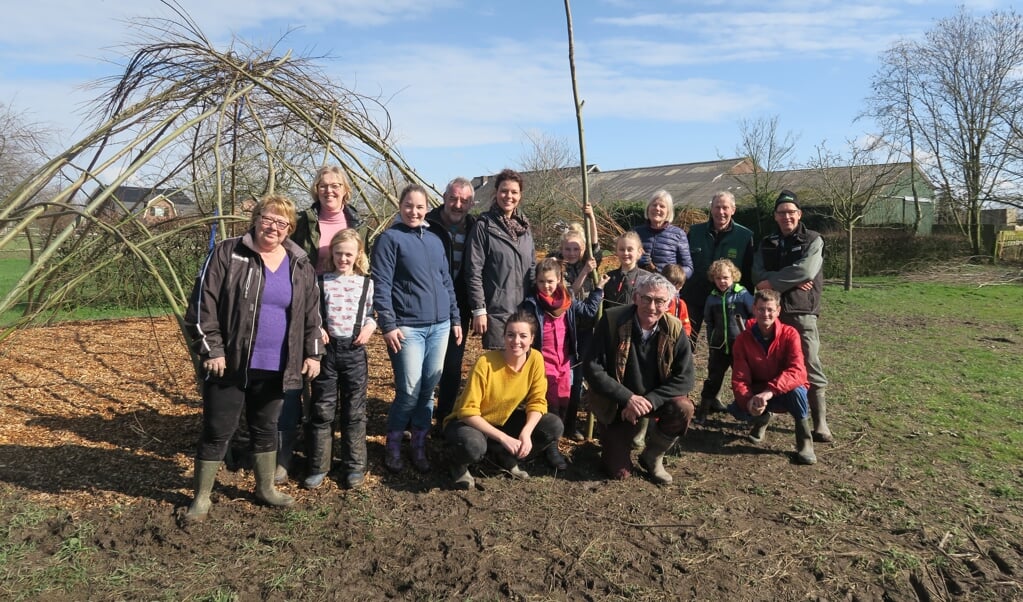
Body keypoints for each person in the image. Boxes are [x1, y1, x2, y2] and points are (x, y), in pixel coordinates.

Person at [183, 194, 323, 523]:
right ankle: (201, 496)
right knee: (218, 430)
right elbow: (203, 305)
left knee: (266, 427)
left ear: (290, 229)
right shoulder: (228, 253)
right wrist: (212, 349)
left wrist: (313, 353)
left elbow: (312, 314)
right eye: (268, 219)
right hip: (230, 363)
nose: (273, 227)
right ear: (256, 218)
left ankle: (265, 489)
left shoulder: (299, 262)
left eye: (282, 223)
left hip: (277, 364)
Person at [278, 165, 362, 482]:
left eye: (336, 185)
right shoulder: (304, 221)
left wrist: (370, 318)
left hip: (340, 315)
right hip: (305, 305)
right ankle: (286, 451)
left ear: (345, 189)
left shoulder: (357, 222)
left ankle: (336, 456)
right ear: (316, 189)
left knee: (332, 394)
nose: (329, 190)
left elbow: (364, 271)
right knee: (294, 375)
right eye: (324, 185)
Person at [372, 183, 462, 474]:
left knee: (427, 391)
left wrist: (456, 318)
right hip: (407, 328)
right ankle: (394, 446)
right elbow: (381, 284)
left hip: (440, 326)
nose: (414, 211)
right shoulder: (390, 239)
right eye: (409, 205)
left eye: (420, 206)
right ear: (400, 206)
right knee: (408, 391)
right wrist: (387, 323)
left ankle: (419, 445)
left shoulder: (436, 238)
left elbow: (446, 281)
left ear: (427, 208)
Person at [583, 272, 696, 484]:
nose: (652, 306)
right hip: (617, 404)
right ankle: (622, 437)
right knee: (619, 473)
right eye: (646, 298)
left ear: (669, 303)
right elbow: (592, 367)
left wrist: (650, 401)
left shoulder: (674, 328)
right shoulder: (612, 320)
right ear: (636, 297)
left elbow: (685, 378)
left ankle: (653, 455)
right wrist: (627, 398)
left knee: (684, 408)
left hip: (653, 401)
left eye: (660, 301)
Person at [443, 310, 567, 489]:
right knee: (473, 447)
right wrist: (504, 437)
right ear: (504, 337)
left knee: (553, 426)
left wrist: (525, 432)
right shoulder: (486, 362)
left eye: (523, 336)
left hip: (502, 420)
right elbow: (467, 412)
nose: (516, 341)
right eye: (511, 335)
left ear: (532, 339)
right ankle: (457, 463)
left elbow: (537, 401)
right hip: (469, 423)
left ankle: (502, 453)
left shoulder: (536, 360)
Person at [752, 190, 832, 443]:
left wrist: (773, 282)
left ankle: (820, 423)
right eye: (781, 212)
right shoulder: (766, 242)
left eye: (791, 212)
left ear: (799, 214)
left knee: (809, 363)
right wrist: (792, 280)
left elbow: (807, 270)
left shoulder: (813, 240)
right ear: (775, 216)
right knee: (770, 365)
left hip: (802, 312)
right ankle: (764, 418)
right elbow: (756, 275)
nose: (786, 216)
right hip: (771, 315)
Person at [304, 229, 376, 490]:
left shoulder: (366, 283)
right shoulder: (321, 282)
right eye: (338, 254)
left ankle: (355, 466)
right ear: (331, 254)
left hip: (354, 352)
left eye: (348, 254)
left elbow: (371, 313)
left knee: (354, 411)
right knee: (322, 409)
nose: (343, 259)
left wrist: (370, 326)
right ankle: (318, 465)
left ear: (358, 255)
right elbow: (312, 313)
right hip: (327, 352)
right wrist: (318, 328)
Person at [520, 257, 607, 445]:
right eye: (541, 281)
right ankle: (548, 438)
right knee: (549, 399)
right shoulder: (532, 303)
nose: (546, 286)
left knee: (563, 397)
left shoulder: (567, 299)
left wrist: (598, 290)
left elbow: (588, 312)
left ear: (559, 279)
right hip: (543, 359)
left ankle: (556, 433)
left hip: (565, 359)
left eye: (550, 281)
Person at [730, 289, 817, 465]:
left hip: (782, 390)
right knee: (738, 410)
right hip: (758, 390)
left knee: (799, 392)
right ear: (754, 309)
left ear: (778, 311)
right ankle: (762, 418)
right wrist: (748, 401)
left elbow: (797, 371)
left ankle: (805, 442)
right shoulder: (742, 340)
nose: (766, 314)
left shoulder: (790, 334)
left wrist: (769, 392)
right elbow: (739, 377)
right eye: (761, 309)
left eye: (770, 310)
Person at [427, 177, 478, 429]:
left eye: (464, 200)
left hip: (461, 305)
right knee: (425, 365)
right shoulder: (426, 223)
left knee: (452, 365)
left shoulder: (476, 227)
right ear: (444, 197)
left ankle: (443, 418)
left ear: (471, 203)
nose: (458, 204)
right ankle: (418, 419)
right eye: (453, 198)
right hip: (426, 304)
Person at [466, 168, 536, 350]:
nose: (508, 196)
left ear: (520, 195)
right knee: (499, 368)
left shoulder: (525, 229)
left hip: (524, 312)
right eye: (504, 191)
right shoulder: (484, 227)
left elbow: (533, 268)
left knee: (521, 368)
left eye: (514, 192)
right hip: (496, 312)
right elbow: (473, 271)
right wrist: (479, 309)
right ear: (496, 192)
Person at [552, 208, 601, 440]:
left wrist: (590, 218)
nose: (571, 253)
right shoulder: (557, 267)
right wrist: (584, 271)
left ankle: (571, 424)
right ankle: (556, 422)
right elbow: (569, 293)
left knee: (578, 379)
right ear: (561, 249)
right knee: (563, 377)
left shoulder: (588, 261)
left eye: (576, 249)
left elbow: (596, 245)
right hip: (564, 329)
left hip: (585, 330)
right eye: (567, 248)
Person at [682, 190, 755, 342]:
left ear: (733, 210)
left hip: (728, 301)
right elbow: (683, 262)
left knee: (726, 344)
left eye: (725, 207)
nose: (720, 212)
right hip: (694, 297)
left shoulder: (745, 236)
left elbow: (748, 271)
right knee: (686, 340)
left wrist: (746, 301)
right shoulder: (695, 232)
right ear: (711, 209)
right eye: (717, 207)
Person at [698, 258, 754, 420]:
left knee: (742, 379)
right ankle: (704, 410)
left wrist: (749, 339)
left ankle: (746, 410)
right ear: (713, 279)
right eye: (718, 278)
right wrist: (711, 341)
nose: (722, 281)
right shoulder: (712, 298)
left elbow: (753, 316)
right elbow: (708, 321)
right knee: (713, 378)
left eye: (725, 277)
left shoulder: (742, 294)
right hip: (719, 346)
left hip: (740, 345)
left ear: (733, 276)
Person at [635, 190, 693, 278]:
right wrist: (636, 260)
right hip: (640, 287)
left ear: (668, 212)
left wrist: (672, 275)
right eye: (654, 205)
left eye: (662, 206)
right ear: (648, 208)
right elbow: (624, 263)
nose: (657, 208)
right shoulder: (636, 233)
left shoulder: (678, 234)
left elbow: (688, 268)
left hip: (668, 287)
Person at [603, 231, 645, 309]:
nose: (625, 253)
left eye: (630, 249)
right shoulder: (609, 277)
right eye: (622, 249)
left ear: (639, 252)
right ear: (616, 252)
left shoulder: (646, 278)